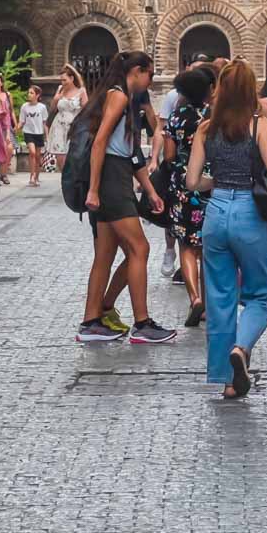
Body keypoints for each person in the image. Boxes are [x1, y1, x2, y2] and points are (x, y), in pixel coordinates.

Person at [184, 60, 267, 399]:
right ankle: (241, 349)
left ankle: (228, 380)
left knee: (220, 298)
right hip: (250, 214)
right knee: (257, 294)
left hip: (216, 212)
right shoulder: (261, 126)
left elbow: (192, 182)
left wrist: (220, 182)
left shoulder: (205, 128)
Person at [77, 52, 176, 345]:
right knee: (139, 247)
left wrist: (151, 190)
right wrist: (94, 189)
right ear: (136, 71)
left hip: (116, 173)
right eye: (150, 75)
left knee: (105, 255)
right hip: (110, 178)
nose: (151, 81)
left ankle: (91, 321)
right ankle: (142, 323)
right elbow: (100, 143)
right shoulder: (118, 97)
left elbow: (132, 154)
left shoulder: (124, 99)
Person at [162, 66, 214, 327]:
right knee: (205, 246)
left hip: (182, 184)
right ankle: (207, 302)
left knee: (185, 243)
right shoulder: (212, 116)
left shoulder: (175, 117)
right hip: (209, 183)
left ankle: (194, 298)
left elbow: (169, 156)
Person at [45, 66, 85, 171]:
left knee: (73, 156)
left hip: (74, 126)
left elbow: (86, 110)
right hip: (59, 126)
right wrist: (56, 99)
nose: (63, 82)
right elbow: (53, 109)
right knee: (60, 157)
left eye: (65, 80)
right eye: (61, 80)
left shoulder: (81, 91)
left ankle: (72, 179)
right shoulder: (60, 89)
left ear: (72, 78)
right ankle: (64, 179)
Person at [19, 84, 48, 188]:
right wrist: (16, 129)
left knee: (37, 156)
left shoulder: (42, 107)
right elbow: (22, 121)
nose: (29, 95)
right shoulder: (24, 107)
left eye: (31, 93)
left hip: (39, 133)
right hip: (28, 132)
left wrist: (47, 136)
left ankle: (36, 177)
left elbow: (45, 123)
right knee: (32, 152)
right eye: (29, 92)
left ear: (37, 95)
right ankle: (32, 175)